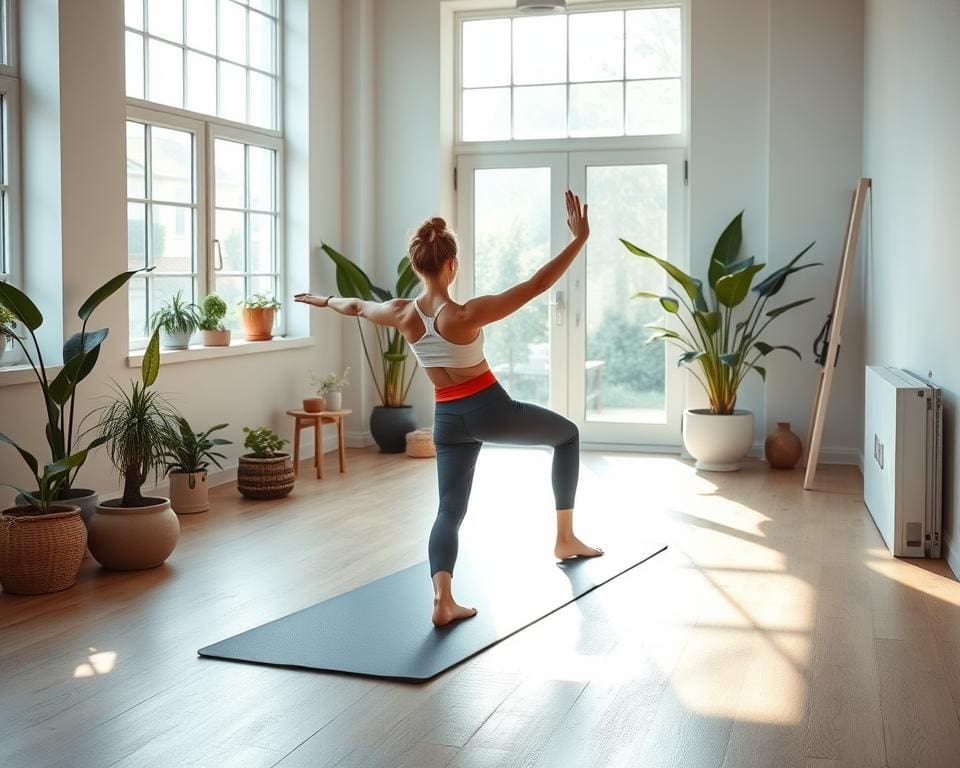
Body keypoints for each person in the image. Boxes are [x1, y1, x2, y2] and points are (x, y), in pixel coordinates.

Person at [295, 190, 602, 627]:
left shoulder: (401, 313)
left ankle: (443, 600)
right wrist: (579, 239)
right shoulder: (466, 314)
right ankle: (565, 538)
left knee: (449, 511)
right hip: (490, 409)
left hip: (447, 419)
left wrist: (322, 300)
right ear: (451, 265)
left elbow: (358, 307)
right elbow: (536, 285)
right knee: (567, 435)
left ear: (418, 266)